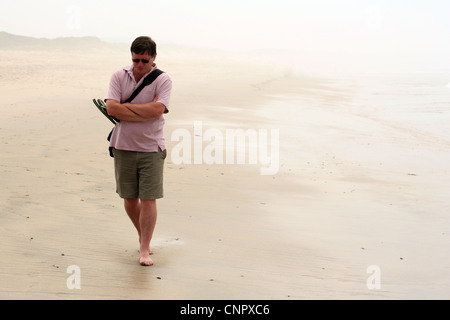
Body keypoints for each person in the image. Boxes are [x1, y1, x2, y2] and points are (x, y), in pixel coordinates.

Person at [105, 36, 172, 266]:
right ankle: (144, 236)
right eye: (136, 60)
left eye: (144, 60)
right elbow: (111, 107)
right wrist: (141, 110)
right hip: (122, 146)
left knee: (149, 198)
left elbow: (157, 110)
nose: (140, 65)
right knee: (130, 199)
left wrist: (126, 109)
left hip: (151, 148)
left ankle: (144, 248)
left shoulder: (163, 80)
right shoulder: (118, 75)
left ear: (154, 57)